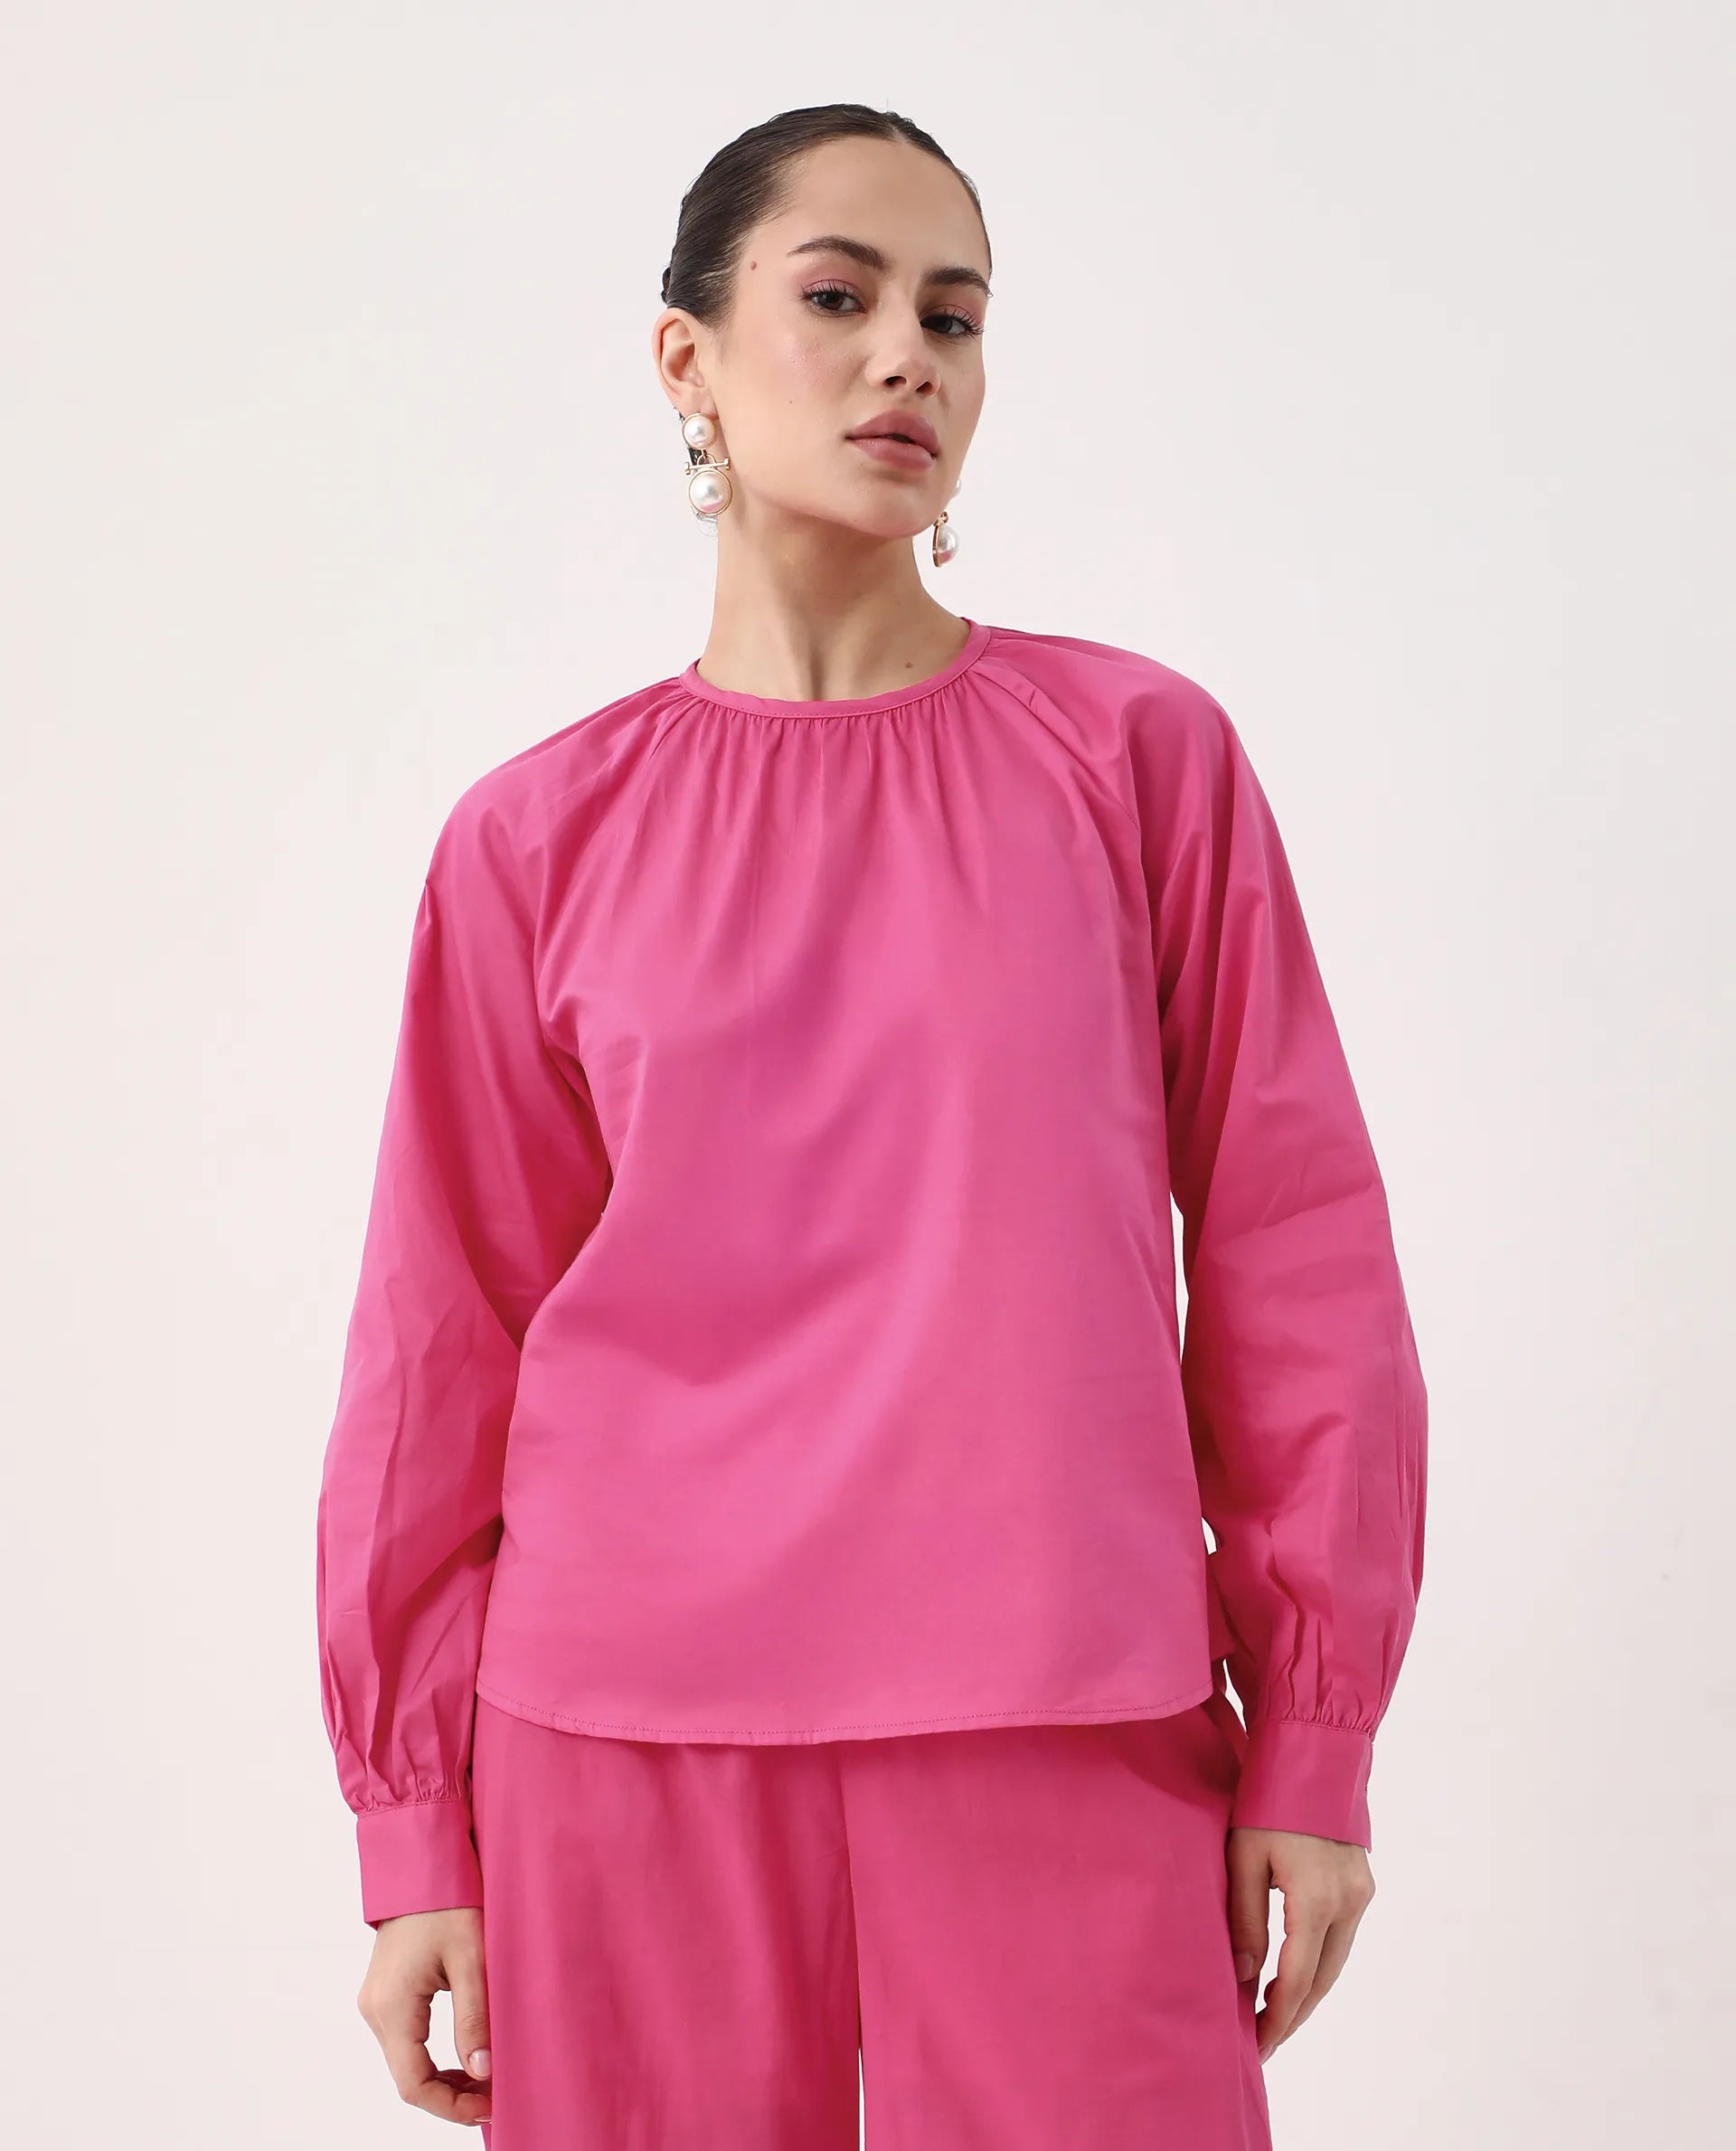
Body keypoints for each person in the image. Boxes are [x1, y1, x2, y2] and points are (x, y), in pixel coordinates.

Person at [315, 102, 1428, 2148]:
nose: (907, 353)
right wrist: (412, 1831)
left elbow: (1296, 1249)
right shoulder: (536, 839)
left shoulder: (1137, 761)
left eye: (954, 316)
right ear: (688, 359)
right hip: (619, 1740)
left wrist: (1315, 1741)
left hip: (1072, 1713)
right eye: (837, 298)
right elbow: (437, 1340)